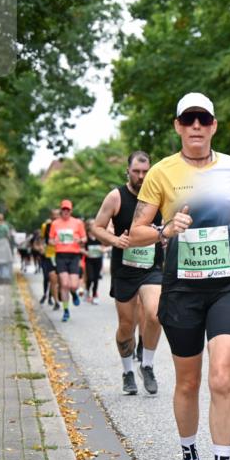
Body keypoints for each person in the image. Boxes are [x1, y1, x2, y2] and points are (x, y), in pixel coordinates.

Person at [130, 92, 230, 460]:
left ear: (213, 126)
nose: (195, 127)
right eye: (188, 120)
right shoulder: (162, 173)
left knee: (222, 376)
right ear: (177, 126)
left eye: (203, 119)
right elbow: (136, 232)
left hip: (229, 283)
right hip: (183, 287)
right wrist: (167, 229)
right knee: (188, 381)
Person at [92, 150, 163, 396]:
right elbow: (96, 227)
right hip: (124, 269)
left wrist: (166, 237)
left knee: (155, 314)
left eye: (145, 172)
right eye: (136, 171)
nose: (141, 176)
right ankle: (127, 372)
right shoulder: (116, 197)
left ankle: (148, 365)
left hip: (152, 267)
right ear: (128, 171)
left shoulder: (159, 196)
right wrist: (114, 240)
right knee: (126, 325)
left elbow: (173, 224)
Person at [49, 200, 87, 322]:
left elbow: (84, 238)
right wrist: (54, 241)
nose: (65, 211)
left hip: (74, 256)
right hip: (60, 255)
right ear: (61, 210)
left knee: (73, 285)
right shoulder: (55, 223)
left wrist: (79, 240)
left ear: (71, 210)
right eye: (63, 209)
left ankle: (74, 293)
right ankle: (66, 311)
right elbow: (50, 240)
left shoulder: (78, 223)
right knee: (64, 284)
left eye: (68, 210)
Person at [40, 209, 60, 309]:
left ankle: (59, 294)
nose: (55, 217)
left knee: (60, 279)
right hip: (49, 254)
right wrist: (42, 247)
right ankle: (56, 301)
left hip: (62, 254)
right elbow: (43, 239)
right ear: (50, 216)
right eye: (53, 215)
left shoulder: (63, 225)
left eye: (57, 215)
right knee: (51, 278)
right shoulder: (46, 226)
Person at [83, 219, 104, 304]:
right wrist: (86, 252)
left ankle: (95, 295)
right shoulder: (85, 237)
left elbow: (105, 246)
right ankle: (87, 291)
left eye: (94, 224)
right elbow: (80, 248)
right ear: (88, 226)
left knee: (96, 278)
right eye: (91, 224)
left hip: (98, 260)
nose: (93, 225)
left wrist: (103, 250)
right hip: (89, 260)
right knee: (90, 278)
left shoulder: (99, 236)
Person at [0, 213, 15, 281]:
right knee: (5, 260)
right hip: (4, 242)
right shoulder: (5, 226)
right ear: (2, 219)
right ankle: (5, 276)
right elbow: (8, 235)